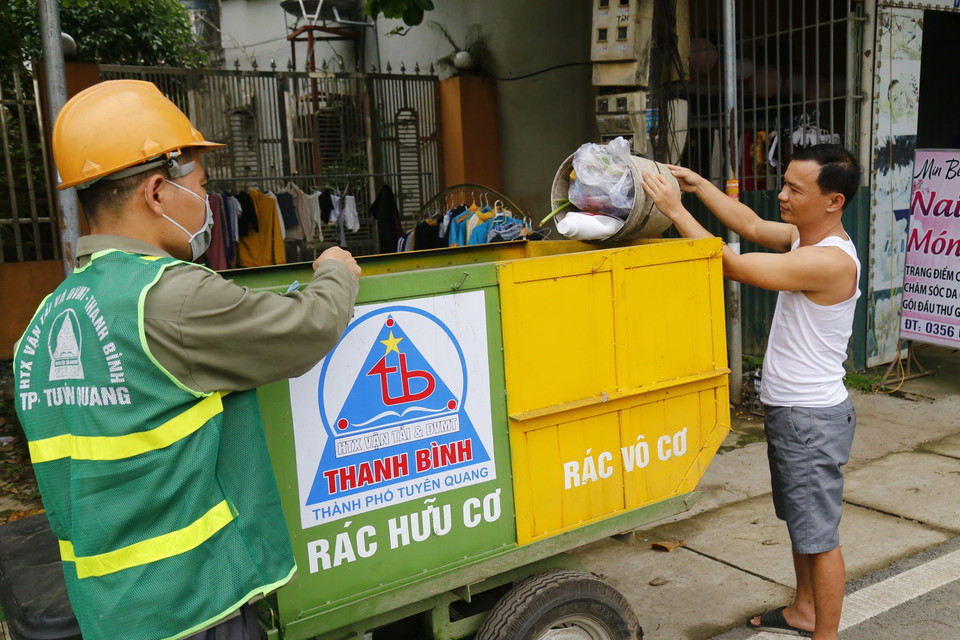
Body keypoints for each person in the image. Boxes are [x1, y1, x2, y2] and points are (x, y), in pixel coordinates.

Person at [13, 80, 361, 640]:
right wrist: (336, 273)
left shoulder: (45, 320)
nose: (207, 203)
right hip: (192, 604)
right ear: (156, 192)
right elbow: (307, 327)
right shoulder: (169, 296)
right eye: (201, 186)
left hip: (109, 613)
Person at [642, 144, 861, 640]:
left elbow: (732, 265)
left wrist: (676, 209)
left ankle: (825, 634)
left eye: (795, 190)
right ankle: (805, 610)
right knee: (802, 524)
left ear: (834, 201)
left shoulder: (829, 262)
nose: (782, 195)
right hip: (794, 414)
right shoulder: (804, 238)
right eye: (784, 184)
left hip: (810, 420)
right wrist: (699, 186)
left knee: (820, 537)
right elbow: (751, 224)